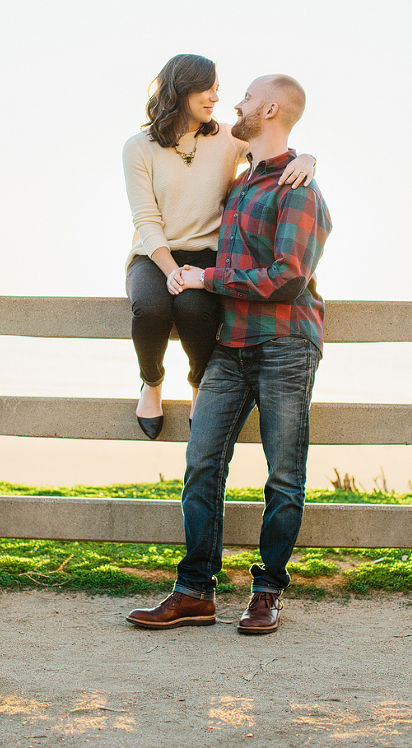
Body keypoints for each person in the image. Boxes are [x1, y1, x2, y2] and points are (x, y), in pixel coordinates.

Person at [126, 73, 332, 635]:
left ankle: (267, 592)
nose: (234, 103)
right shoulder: (241, 185)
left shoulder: (300, 191)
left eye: (244, 97)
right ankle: (194, 592)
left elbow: (287, 279)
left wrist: (206, 278)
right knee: (202, 465)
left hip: (285, 344)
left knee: (284, 476)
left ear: (267, 108)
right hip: (230, 345)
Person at [121, 53, 315, 439]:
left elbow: (271, 154)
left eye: (217, 90)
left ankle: (198, 385)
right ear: (181, 90)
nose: (215, 97)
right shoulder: (138, 147)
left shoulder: (228, 136)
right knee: (150, 308)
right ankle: (152, 382)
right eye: (206, 89)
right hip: (153, 253)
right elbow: (146, 220)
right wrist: (171, 271)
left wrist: (309, 158)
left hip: (208, 254)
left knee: (195, 310)